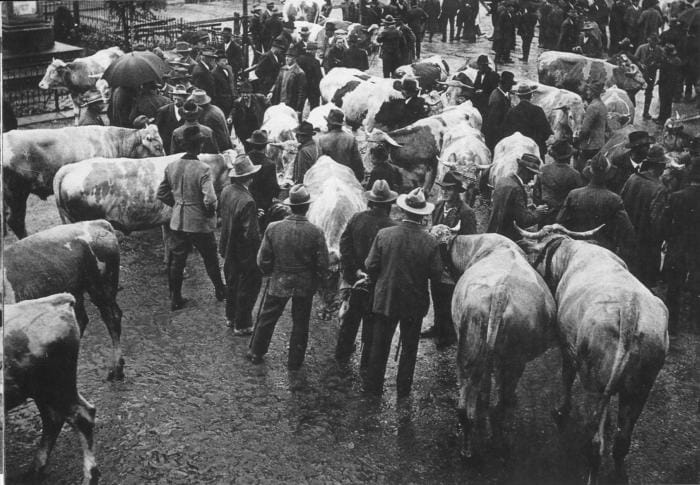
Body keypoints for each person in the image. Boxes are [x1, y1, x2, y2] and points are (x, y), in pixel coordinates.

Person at [363, 187, 443, 397]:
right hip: (414, 303)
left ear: (404, 211)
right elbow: (436, 274)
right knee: (409, 349)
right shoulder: (430, 242)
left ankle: (373, 390)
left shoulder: (385, 234)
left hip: (386, 299)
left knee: (379, 347)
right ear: (423, 215)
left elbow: (370, 265)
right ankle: (403, 391)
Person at [247, 184, 330, 369]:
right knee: (301, 322)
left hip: (279, 279)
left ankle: (256, 352)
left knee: (267, 316)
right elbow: (323, 263)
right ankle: (295, 361)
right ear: (307, 206)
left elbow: (262, 259)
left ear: (290, 206)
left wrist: (269, 271)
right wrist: (317, 279)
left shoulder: (273, 227)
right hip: (304, 283)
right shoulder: (316, 231)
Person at [156, 125, 226, 311]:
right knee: (210, 258)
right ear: (200, 145)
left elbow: (161, 193)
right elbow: (210, 198)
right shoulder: (203, 168)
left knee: (177, 261)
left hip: (178, 221)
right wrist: (209, 212)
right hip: (198, 222)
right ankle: (220, 290)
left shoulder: (172, 166)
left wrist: (178, 204)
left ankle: (175, 298)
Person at [335, 180, 398, 365]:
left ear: (371, 201)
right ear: (389, 204)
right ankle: (366, 362)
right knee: (371, 325)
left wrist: (353, 271)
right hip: (376, 284)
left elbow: (344, 247)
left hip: (355, 280)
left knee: (350, 321)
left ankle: (341, 356)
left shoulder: (357, 219)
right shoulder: (392, 227)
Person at [421, 171, 476, 348]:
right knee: (437, 294)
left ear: (457, 191)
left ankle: (449, 332)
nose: (445, 192)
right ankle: (438, 326)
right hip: (437, 260)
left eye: (450, 189)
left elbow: (469, 240)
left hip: (454, 263)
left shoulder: (466, 213)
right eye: (443, 188)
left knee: (450, 297)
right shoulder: (437, 206)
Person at [557, 153, 637, 261]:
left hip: (576, 250)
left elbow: (560, 221)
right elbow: (628, 231)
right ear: (608, 174)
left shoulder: (574, 194)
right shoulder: (614, 199)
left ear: (590, 171)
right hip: (604, 252)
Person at [219, 154, 262, 334]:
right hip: (243, 252)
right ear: (249, 178)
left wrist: (253, 215)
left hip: (228, 246)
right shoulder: (247, 200)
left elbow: (231, 215)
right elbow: (250, 235)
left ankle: (230, 317)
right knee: (248, 286)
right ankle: (242, 324)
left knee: (232, 282)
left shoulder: (227, 191)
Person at [620, 144, 670, 287]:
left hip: (627, 241)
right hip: (646, 248)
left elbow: (621, 203)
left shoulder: (632, 178)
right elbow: (657, 223)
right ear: (659, 166)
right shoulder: (659, 189)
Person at [664, 157, 700, 334]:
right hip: (697, 248)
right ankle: (695, 323)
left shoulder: (676, 197)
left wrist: (667, 240)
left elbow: (666, 223)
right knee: (697, 284)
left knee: (674, 285)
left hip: (677, 246)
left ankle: (672, 324)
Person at [487, 153, 548, 240]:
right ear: (524, 170)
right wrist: (538, 213)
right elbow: (524, 221)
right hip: (508, 239)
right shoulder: (517, 189)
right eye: (531, 174)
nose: (532, 178)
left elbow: (508, 208)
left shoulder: (503, 180)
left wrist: (526, 208)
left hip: (494, 233)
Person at [533, 140, 584, 226]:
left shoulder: (543, 170)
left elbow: (536, 195)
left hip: (546, 217)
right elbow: (578, 199)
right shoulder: (575, 174)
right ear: (569, 156)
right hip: (566, 219)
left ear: (553, 156)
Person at [502, 84, 553, 160]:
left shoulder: (512, 112)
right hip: (536, 151)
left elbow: (506, 132)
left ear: (518, 96)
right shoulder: (538, 111)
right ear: (531, 95)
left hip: (517, 150)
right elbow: (546, 132)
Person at [245, 130, 281, 231]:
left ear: (252, 144)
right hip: (262, 205)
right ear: (265, 146)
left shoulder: (246, 159)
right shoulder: (269, 164)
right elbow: (273, 189)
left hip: (245, 200)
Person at [317, 108, 365, 181]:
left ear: (330, 124)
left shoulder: (322, 140)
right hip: (345, 177)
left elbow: (319, 163)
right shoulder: (351, 139)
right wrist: (359, 178)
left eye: (327, 122)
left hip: (329, 178)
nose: (327, 124)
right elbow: (357, 162)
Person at [575, 81, 608, 172]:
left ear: (593, 92)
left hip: (589, 146)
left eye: (589, 90)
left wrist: (577, 140)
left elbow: (585, 130)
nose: (587, 92)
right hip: (600, 143)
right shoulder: (603, 105)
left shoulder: (592, 107)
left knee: (582, 169)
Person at [269, 44, 308, 118]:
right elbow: (277, 82)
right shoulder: (282, 69)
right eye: (286, 56)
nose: (286, 59)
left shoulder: (299, 73)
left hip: (291, 104)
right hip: (279, 102)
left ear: (295, 59)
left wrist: (299, 109)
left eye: (289, 57)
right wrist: (271, 91)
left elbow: (301, 93)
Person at [482, 70, 514, 151]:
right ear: (505, 84)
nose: (511, 87)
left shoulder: (502, 94)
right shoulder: (498, 99)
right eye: (510, 84)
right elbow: (493, 122)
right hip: (495, 135)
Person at [634, 33, 664, 120]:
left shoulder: (659, 50)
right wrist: (640, 64)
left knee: (649, 92)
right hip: (640, 73)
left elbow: (662, 62)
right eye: (652, 41)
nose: (653, 43)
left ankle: (646, 112)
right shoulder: (641, 47)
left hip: (651, 73)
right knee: (634, 90)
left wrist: (656, 64)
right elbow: (635, 58)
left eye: (655, 42)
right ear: (648, 40)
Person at [156, 84, 188, 154]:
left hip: (184, 147)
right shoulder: (163, 111)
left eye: (179, 99)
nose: (176, 102)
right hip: (168, 147)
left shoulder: (188, 111)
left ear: (184, 99)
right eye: (175, 99)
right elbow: (158, 129)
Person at [656, 43, 683, 126]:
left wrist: (660, 81)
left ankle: (663, 119)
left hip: (666, 84)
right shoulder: (677, 60)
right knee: (667, 102)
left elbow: (665, 74)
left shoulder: (667, 61)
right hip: (672, 84)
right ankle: (663, 117)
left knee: (664, 102)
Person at [296, 42, 324, 109]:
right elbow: (319, 77)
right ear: (313, 51)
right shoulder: (315, 62)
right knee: (314, 106)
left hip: (299, 86)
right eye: (315, 50)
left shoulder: (299, 59)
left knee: (299, 105)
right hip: (312, 88)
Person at [212, 50, 236, 115]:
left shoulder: (227, 69)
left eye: (226, 60)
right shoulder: (214, 74)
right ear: (217, 62)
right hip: (222, 104)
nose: (226, 62)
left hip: (231, 101)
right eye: (224, 61)